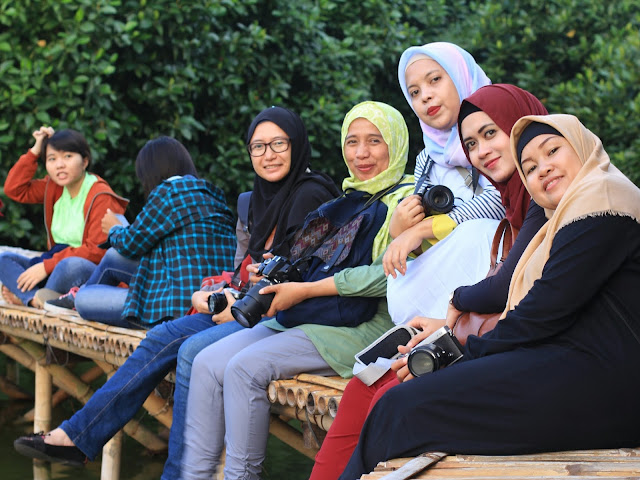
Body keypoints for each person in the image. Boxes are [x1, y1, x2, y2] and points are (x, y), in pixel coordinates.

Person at [13, 106, 340, 479]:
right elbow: (243, 270)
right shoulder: (245, 198)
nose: (268, 155)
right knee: (165, 338)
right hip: (234, 304)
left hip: (278, 317)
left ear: (297, 144)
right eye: (258, 147)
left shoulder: (308, 194)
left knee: (178, 344)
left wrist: (116, 227)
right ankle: (85, 437)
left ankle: (117, 449)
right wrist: (213, 291)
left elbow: (293, 276)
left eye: (279, 144)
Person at [338, 113, 640, 479]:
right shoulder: (568, 215)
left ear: (582, 148)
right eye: (530, 167)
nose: (543, 168)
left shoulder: (602, 200)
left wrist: (462, 357)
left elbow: (541, 313)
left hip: (606, 387)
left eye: (552, 151)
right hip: (582, 370)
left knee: (401, 408)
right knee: (400, 405)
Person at [309, 84, 549, 479]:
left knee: (393, 395)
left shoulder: (544, 199)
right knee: (364, 386)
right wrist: (447, 324)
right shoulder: (513, 202)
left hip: (529, 357)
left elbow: (508, 290)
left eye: (491, 133)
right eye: (471, 143)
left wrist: (453, 311)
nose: (482, 150)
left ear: (521, 127)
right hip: (488, 335)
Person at [179, 101, 415, 480]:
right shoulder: (348, 198)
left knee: (243, 369)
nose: (361, 153)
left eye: (375, 141)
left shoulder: (408, 201)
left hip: (369, 325)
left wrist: (307, 290)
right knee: (206, 362)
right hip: (316, 312)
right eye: (352, 141)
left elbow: (392, 276)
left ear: (397, 143)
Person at [47, 136, 237, 328]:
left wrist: (114, 229)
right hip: (209, 295)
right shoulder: (212, 195)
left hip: (177, 308)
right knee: (113, 256)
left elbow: (130, 244)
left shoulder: (169, 193)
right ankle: (78, 295)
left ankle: (78, 297)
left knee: (85, 298)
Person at [381, 42, 504, 326]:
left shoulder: (498, 128)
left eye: (435, 79)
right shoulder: (427, 158)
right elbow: (423, 242)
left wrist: (424, 229)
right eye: (414, 92)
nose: (425, 95)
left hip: (501, 263)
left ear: (461, 76)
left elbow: (502, 199)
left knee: (477, 232)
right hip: (453, 267)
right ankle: (437, 326)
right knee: (398, 282)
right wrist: (401, 230)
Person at [0, 127, 128, 307]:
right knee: (4, 260)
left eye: (68, 156)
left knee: (71, 265)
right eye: (52, 158)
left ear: (84, 161)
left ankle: (31, 297)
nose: (59, 165)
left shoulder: (100, 196)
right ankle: (35, 299)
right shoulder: (54, 187)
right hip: (54, 263)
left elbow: (97, 251)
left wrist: (46, 267)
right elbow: (14, 189)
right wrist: (36, 149)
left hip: (87, 270)